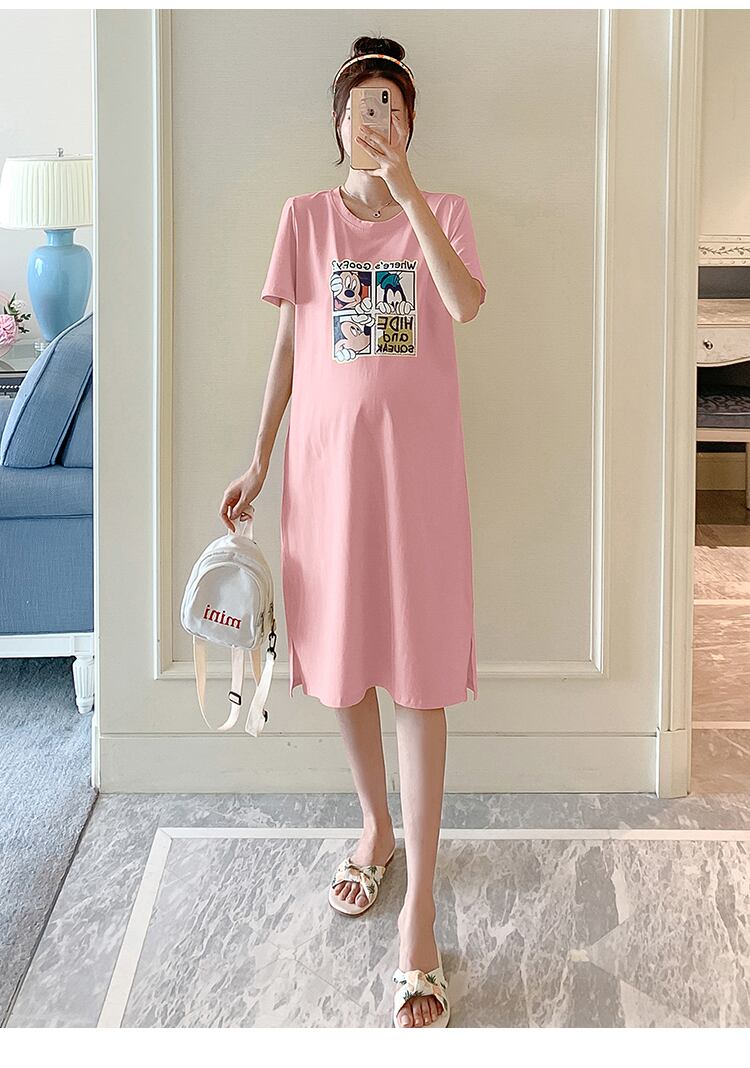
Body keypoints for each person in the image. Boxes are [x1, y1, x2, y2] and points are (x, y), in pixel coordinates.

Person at [219, 34, 487, 1028]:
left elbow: (464, 304)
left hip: (417, 486)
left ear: (411, 126)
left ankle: (420, 910)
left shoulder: (442, 214)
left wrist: (408, 192)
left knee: (418, 674)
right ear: (338, 123)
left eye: (393, 107)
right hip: (326, 482)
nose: (377, 120)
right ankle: (376, 827)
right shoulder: (305, 219)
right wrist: (257, 459)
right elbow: (288, 351)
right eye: (363, 106)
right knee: (339, 665)